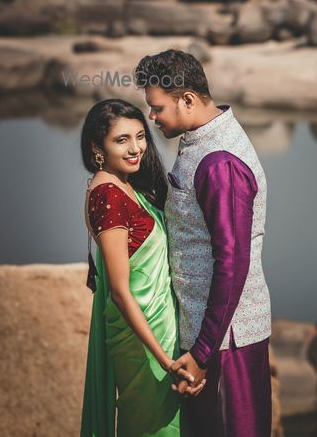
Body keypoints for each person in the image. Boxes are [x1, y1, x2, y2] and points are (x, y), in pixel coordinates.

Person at [135, 49, 272, 437]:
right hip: (213, 335)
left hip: (227, 340)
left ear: (188, 100)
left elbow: (232, 264)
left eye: (158, 108)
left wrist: (201, 353)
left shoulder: (220, 162)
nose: (153, 117)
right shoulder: (202, 139)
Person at [79, 99, 202, 437]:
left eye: (140, 136)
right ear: (97, 147)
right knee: (153, 427)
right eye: (121, 140)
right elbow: (119, 291)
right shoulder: (108, 195)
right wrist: (164, 359)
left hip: (160, 329)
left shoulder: (126, 186)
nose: (135, 149)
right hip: (143, 341)